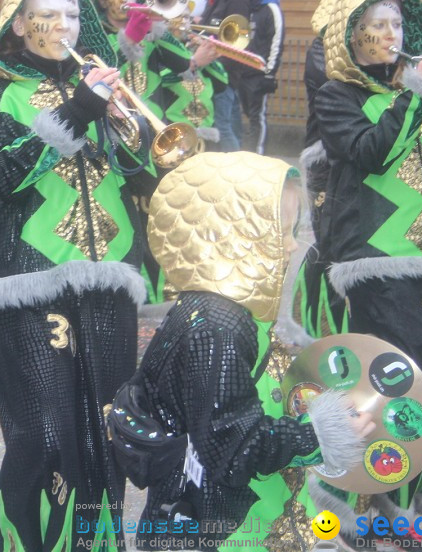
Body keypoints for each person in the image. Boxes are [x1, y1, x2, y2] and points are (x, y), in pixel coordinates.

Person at [0, 0, 149, 551]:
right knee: (43, 433)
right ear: (18, 24)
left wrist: (135, 132)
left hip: (108, 276)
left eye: (74, 13)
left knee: (104, 428)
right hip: (30, 277)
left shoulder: (102, 84)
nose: (66, 24)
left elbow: (136, 178)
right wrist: (78, 110)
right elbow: (2, 175)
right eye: (50, 13)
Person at [131, 152, 374, 552]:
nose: (294, 244)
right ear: (235, 233)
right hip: (224, 532)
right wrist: (319, 433)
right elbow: (235, 448)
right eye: (280, 229)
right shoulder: (218, 325)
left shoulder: (222, 309)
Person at [312, 0, 422, 531]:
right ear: (351, 38)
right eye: (377, 25)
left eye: (397, 25)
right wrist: (419, 94)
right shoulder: (338, 94)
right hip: (378, 265)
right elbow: (370, 153)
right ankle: (375, 510)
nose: (390, 35)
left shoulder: (417, 91)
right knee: (396, 387)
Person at [90, 0, 218, 303]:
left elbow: (180, 67)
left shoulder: (152, 32)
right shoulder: (95, 35)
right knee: (129, 214)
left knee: (162, 208)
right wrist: (126, 40)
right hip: (116, 135)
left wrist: (197, 61)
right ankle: (137, 287)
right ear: (103, 0)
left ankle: (168, 284)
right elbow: (97, 72)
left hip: (156, 134)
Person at [289, 0, 354, 343]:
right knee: (327, 242)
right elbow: (340, 81)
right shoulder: (320, 50)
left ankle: (335, 324)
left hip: (351, 156)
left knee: (344, 242)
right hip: (323, 158)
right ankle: (314, 324)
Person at [203, 0, 250, 151]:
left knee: (223, 127)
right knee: (225, 125)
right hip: (215, 72)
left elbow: (236, 41)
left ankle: (235, 168)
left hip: (223, 75)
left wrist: (220, 67)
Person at [237, 0, 285, 154]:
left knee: (258, 117)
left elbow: (277, 40)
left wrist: (270, 73)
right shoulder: (247, 7)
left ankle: (258, 153)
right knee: (247, 114)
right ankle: (247, 151)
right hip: (242, 70)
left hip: (259, 72)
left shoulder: (270, 8)